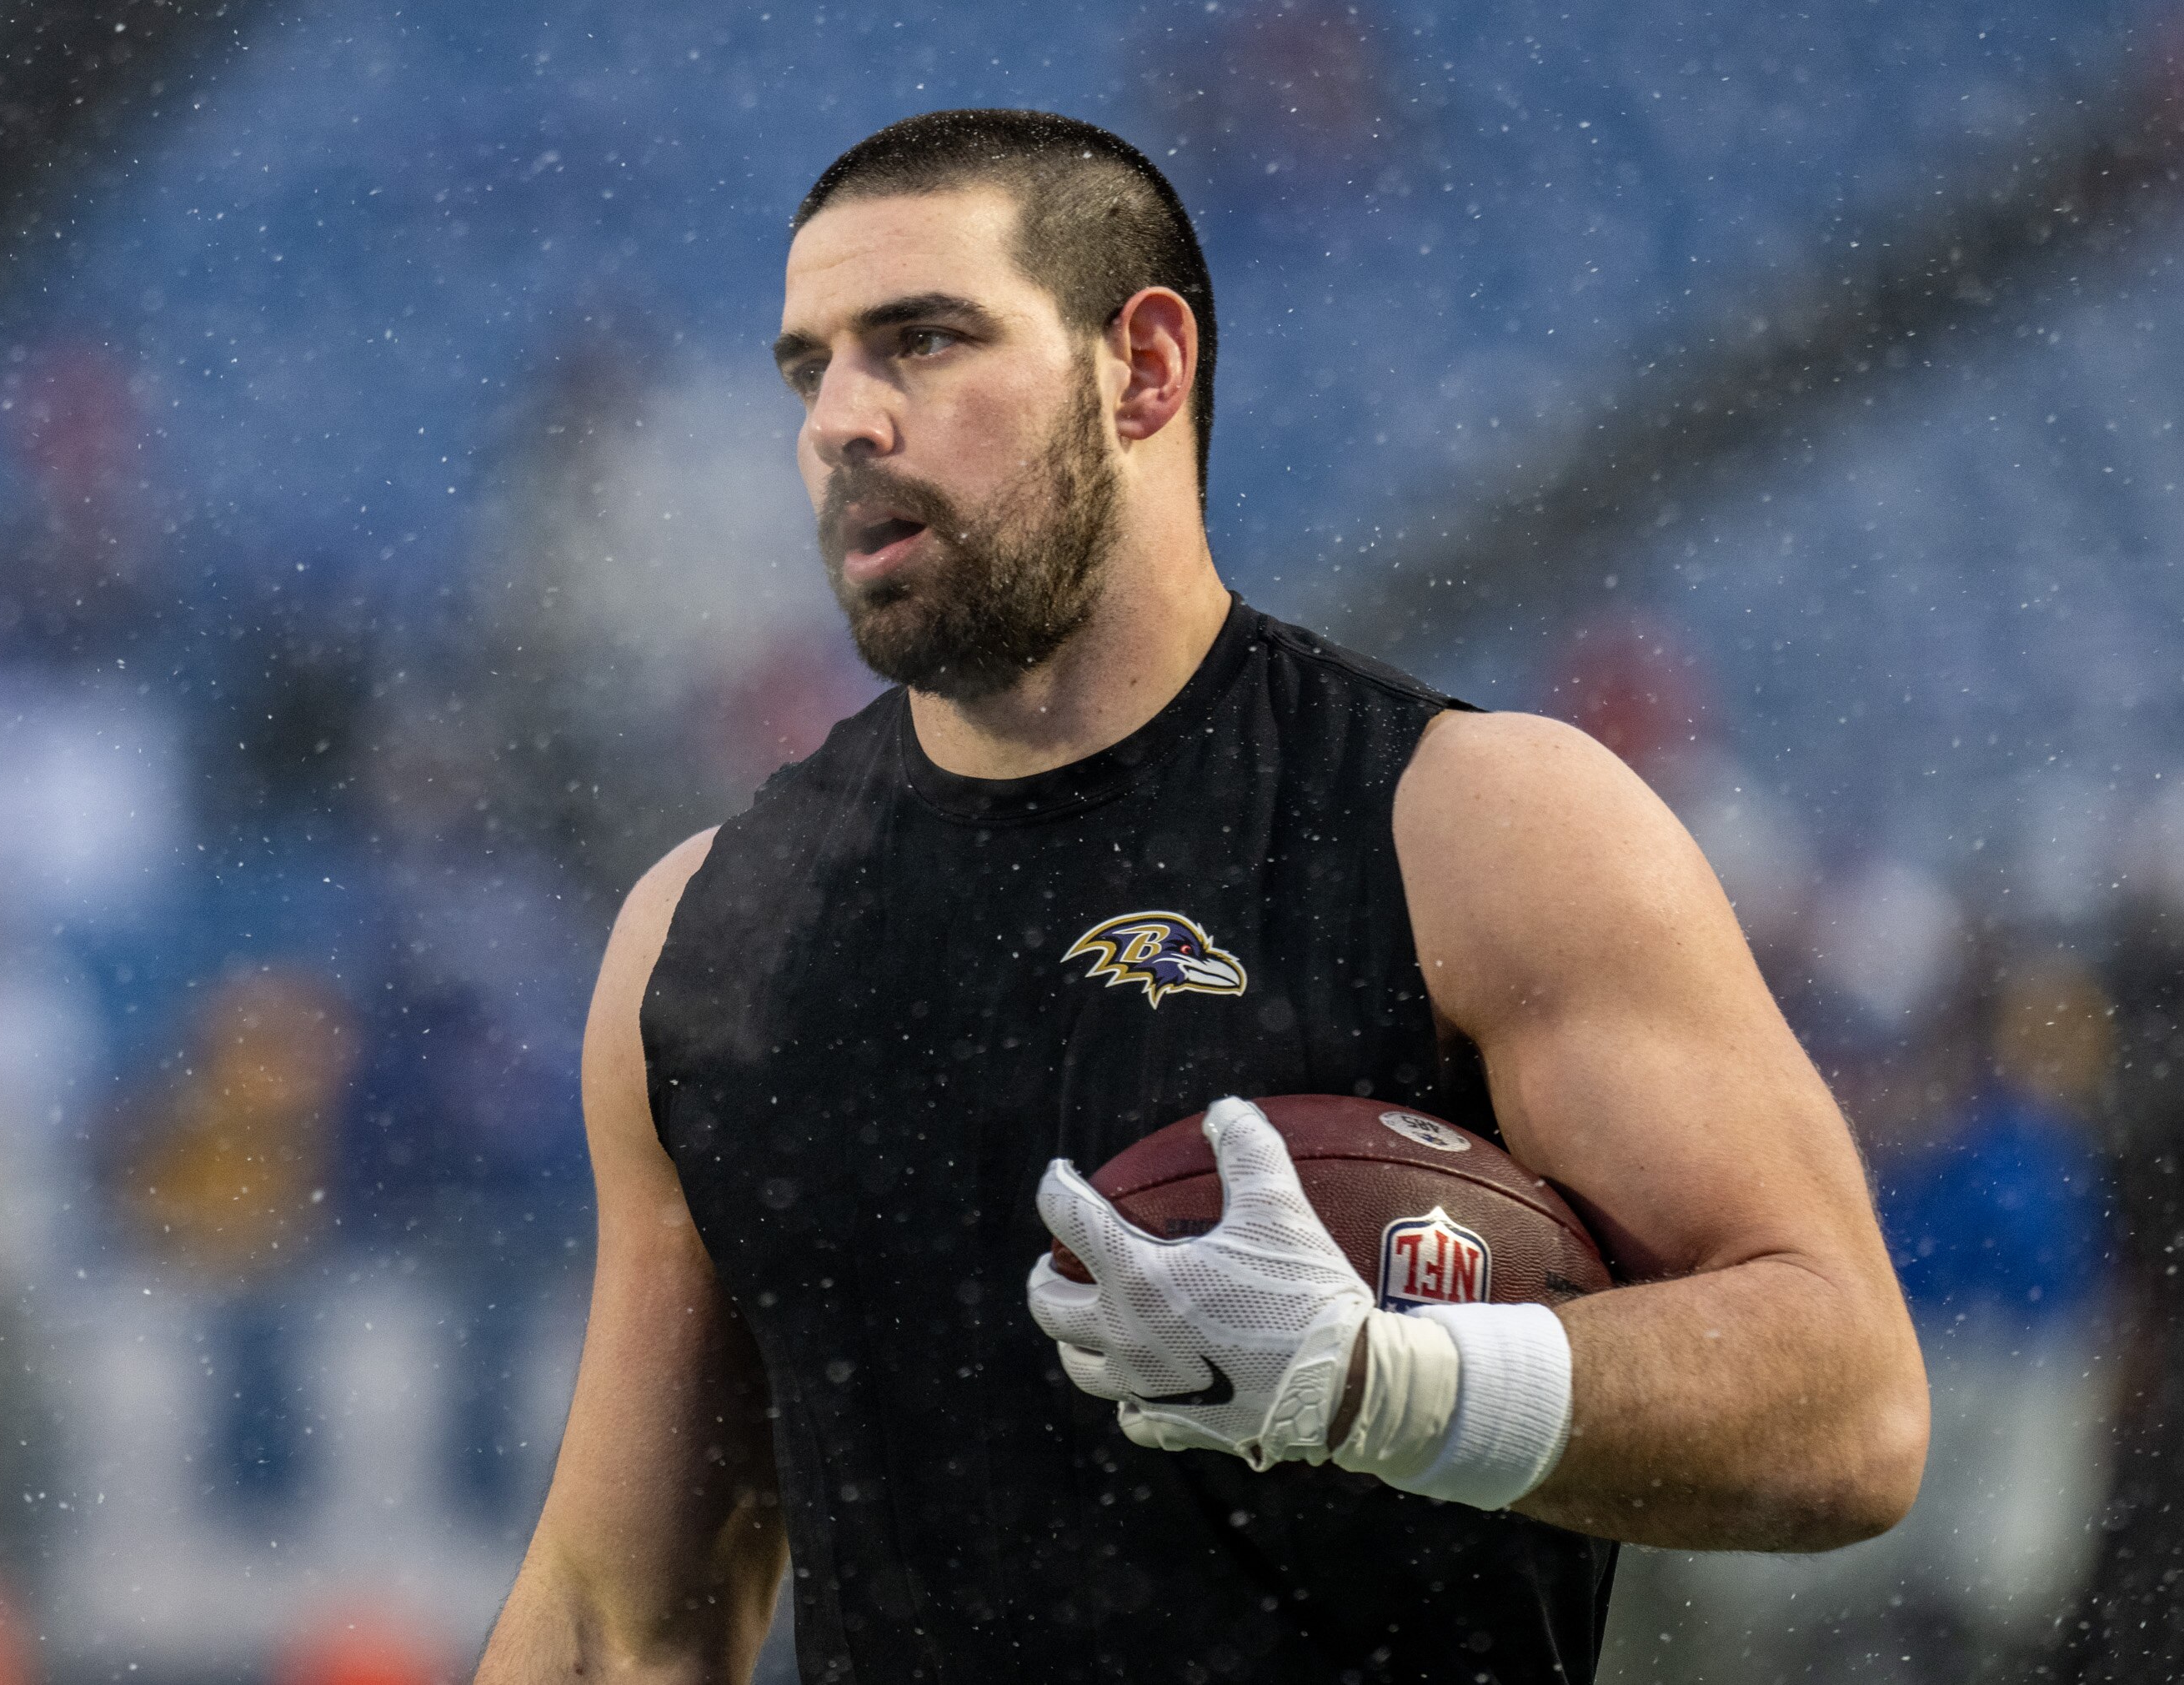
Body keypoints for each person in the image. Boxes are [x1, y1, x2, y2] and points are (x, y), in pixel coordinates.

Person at [474, 110, 1926, 1685]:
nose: (843, 421)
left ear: (1142, 368)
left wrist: (1395, 1388)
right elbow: (628, 1618)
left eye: (922, 340)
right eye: (807, 368)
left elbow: (1851, 1409)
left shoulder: (1475, 825)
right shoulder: (705, 937)